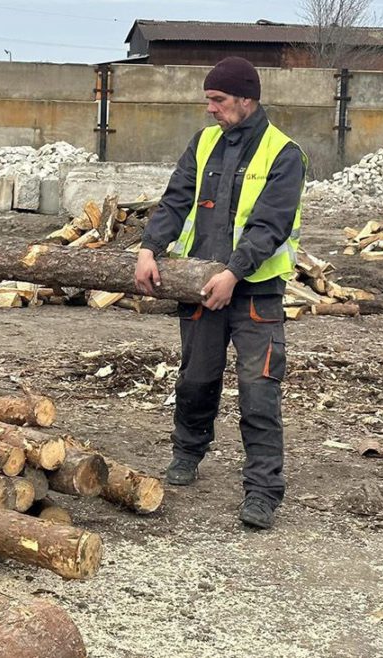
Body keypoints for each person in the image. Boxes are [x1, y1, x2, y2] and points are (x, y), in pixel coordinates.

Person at [134, 56, 306, 530]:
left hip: (257, 293)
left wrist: (233, 273)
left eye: (218, 100)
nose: (210, 108)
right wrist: (149, 248)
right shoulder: (204, 142)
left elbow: (271, 224)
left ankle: (263, 491)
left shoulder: (284, 153)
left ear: (246, 99)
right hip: (199, 288)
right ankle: (188, 452)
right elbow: (176, 199)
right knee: (195, 380)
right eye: (209, 99)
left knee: (259, 393)